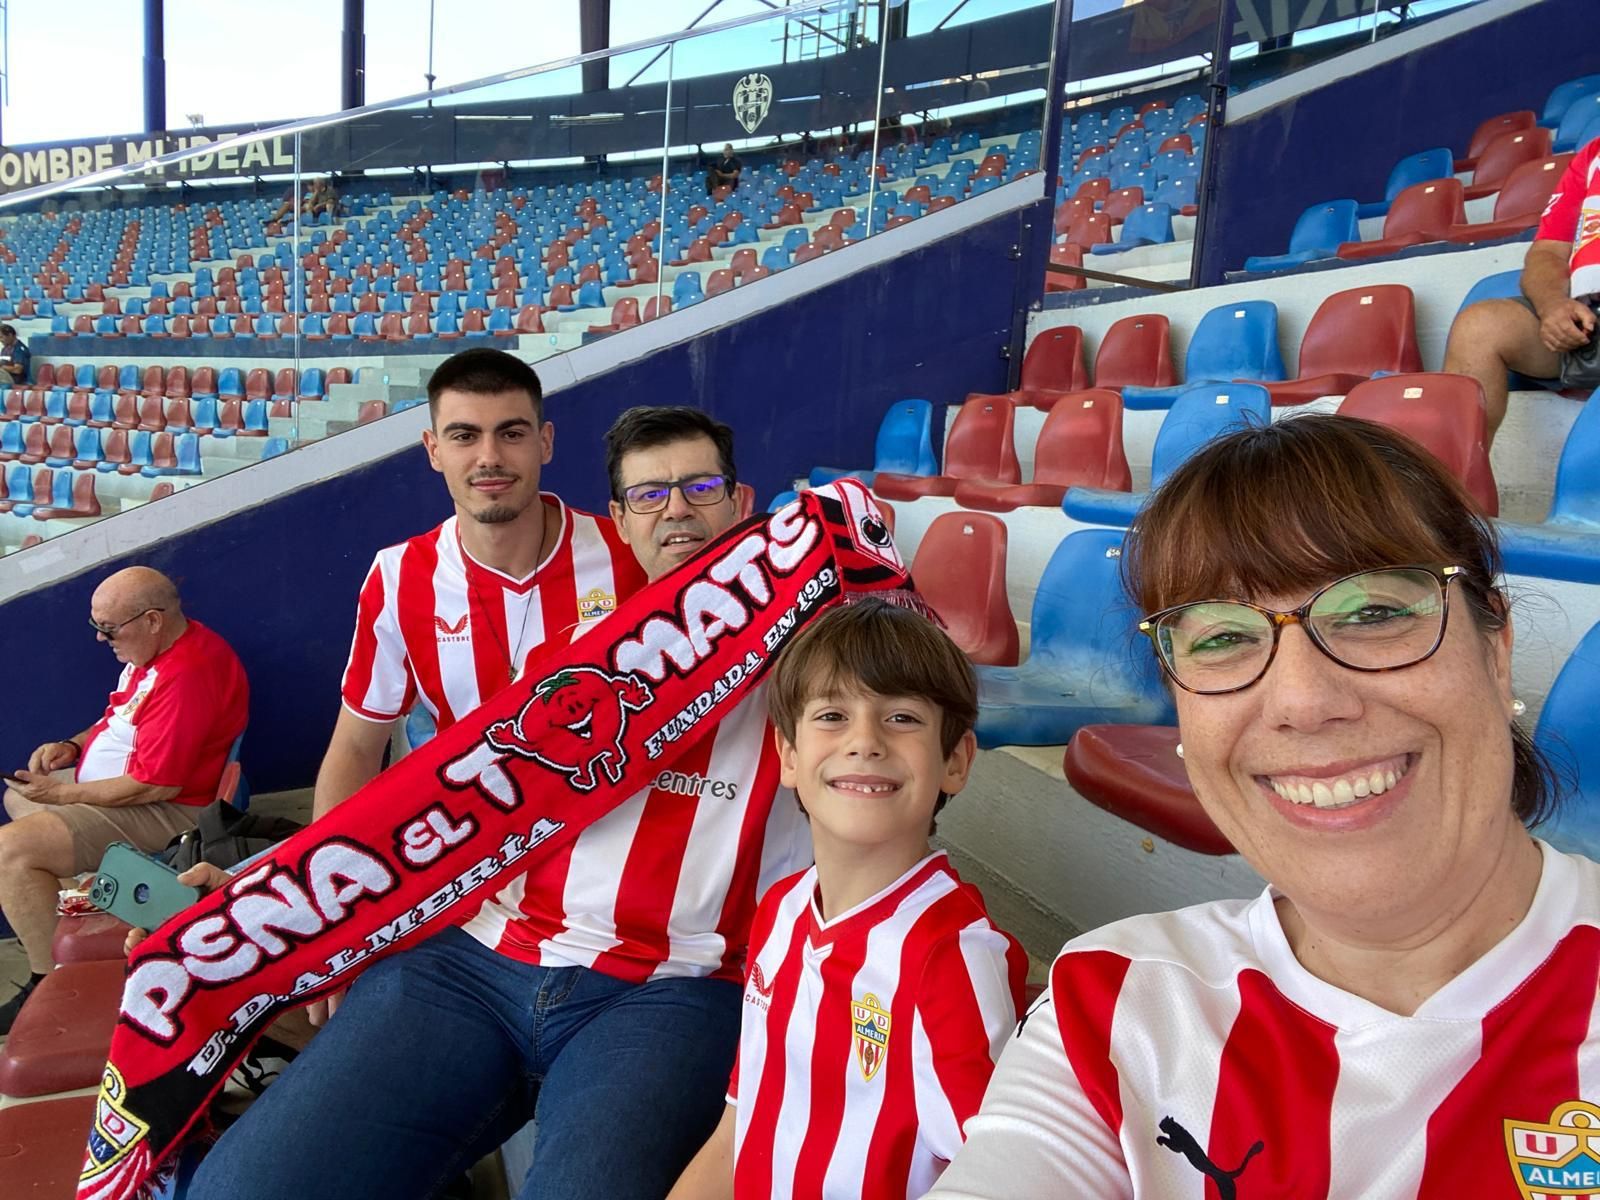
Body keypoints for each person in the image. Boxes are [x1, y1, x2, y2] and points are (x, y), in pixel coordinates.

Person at [931, 413, 1596, 1199]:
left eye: (1376, 612)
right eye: (1220, 638)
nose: (1304, 701)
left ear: (1496, 646)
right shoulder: (1112, 1008)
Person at [188, 401, 814, 1200]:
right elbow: (444, 815)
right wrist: (291, 895)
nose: (679, 509)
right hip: (480, 962)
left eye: (699, 486)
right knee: (237, 1190)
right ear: (619, 522)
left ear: (742, 501)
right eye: (650, 496)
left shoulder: (813, 653)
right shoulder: (569, 659)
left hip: (671, 989)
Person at [668, 599, 1026, 1200]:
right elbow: (740, 1124)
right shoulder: (781, 909)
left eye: (904, 718)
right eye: (832, 715)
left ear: (956, 762)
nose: (865, 741)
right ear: (788, 756)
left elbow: (997, 1177)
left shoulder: (951, 962)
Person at [0, 566, 247, 1031]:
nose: (100, 638)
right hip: (139, 792)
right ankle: (80, 910)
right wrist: (73, 748)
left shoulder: (188, 674)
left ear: (152, 619)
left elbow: (157, 785)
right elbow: (119, 719)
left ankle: (51, 984)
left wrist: (64, 793)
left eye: (109, 629)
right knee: (21, 801)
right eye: (96, 626)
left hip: (173, 809)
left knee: (11, 850)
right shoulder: (152, 652)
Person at [1443, 134, 1599, 443]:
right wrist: (1552, 305)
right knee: (1480, 328)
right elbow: (1547, 254)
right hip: (1588, 325)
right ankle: (1459, 484)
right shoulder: (1592, 155)